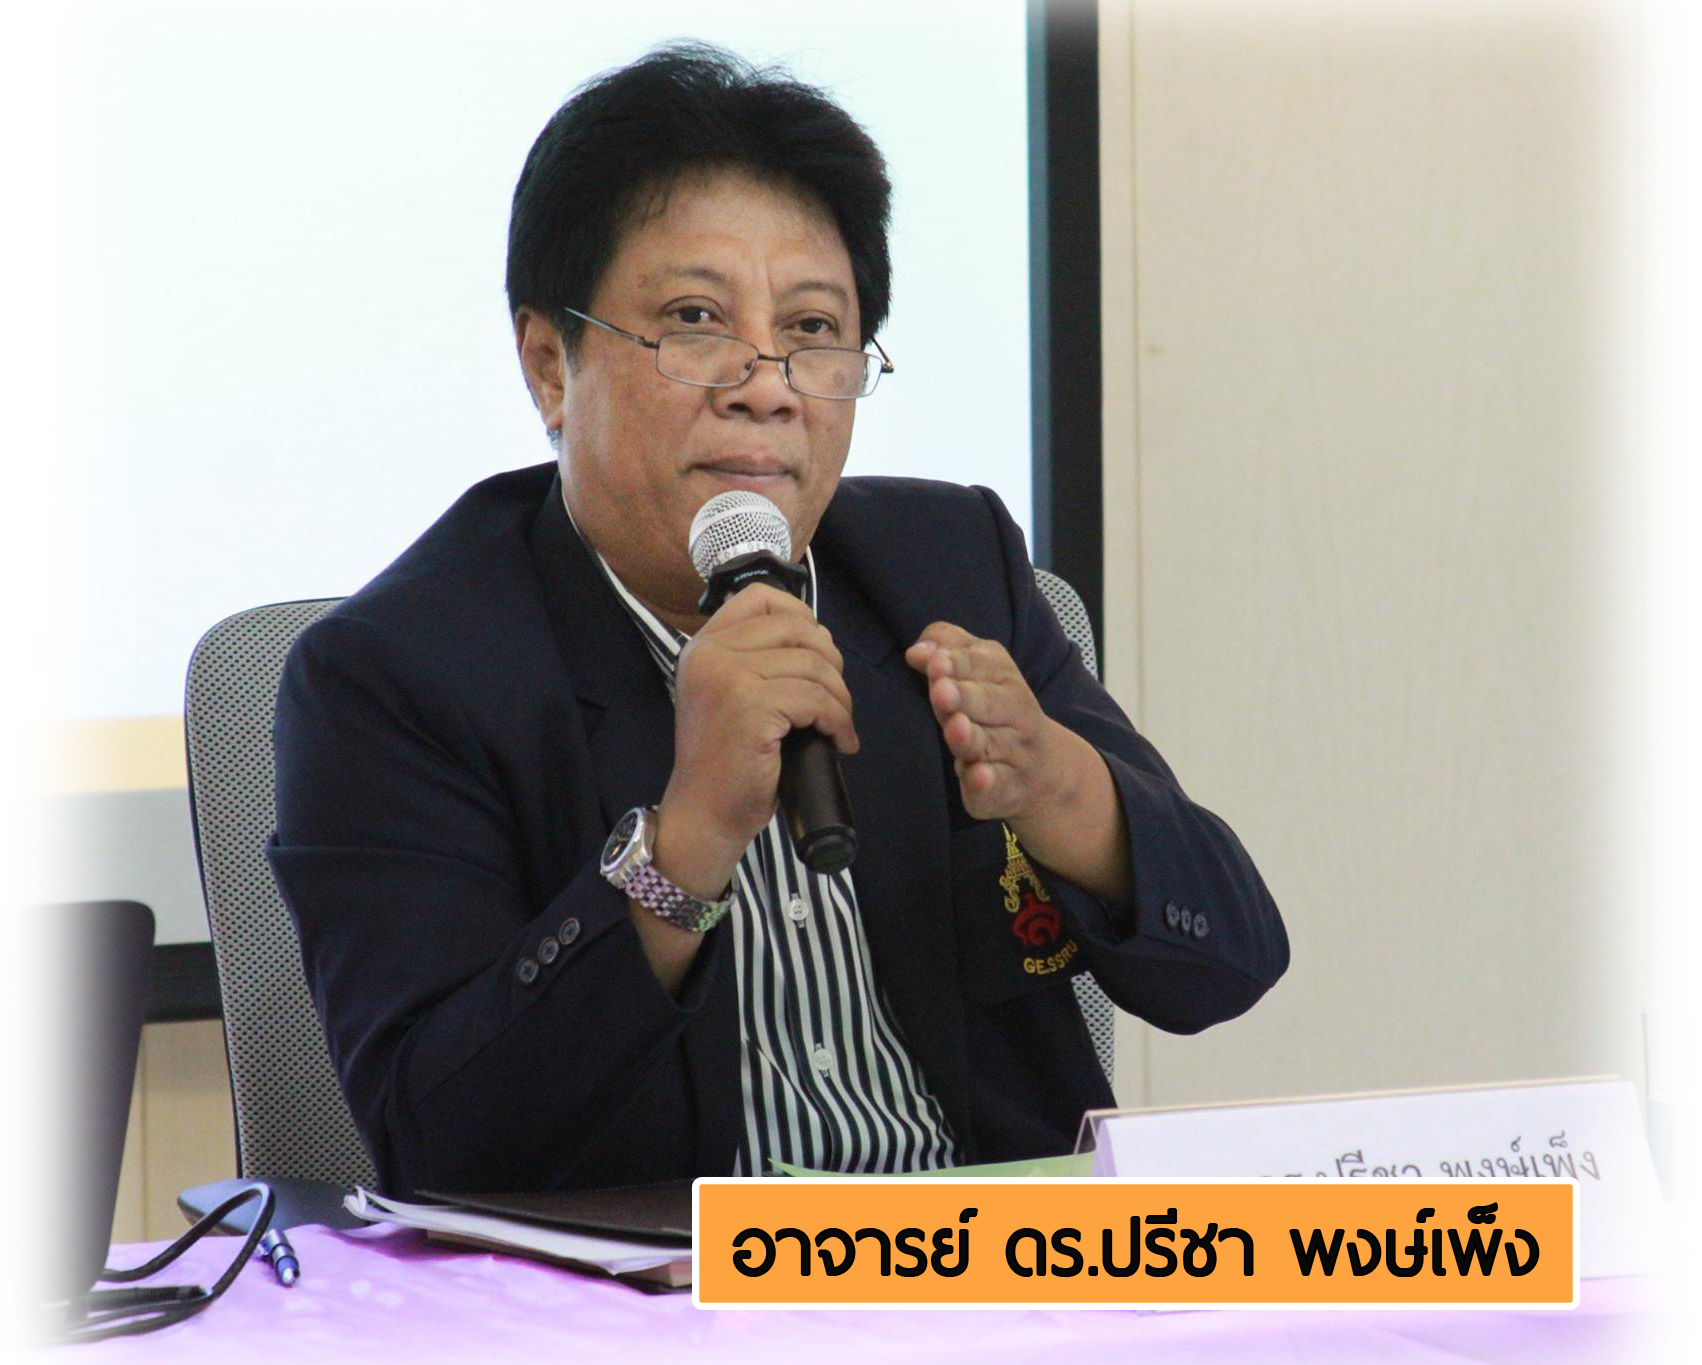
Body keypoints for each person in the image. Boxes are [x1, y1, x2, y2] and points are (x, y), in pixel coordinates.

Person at [267, 43, 1288, 1196]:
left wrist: (1060, 787)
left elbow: (1229, 964)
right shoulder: (395, 675)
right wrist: (687, 841)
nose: (767, 385)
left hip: (993, 1267)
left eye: (811, 329)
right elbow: (437, 1142)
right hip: (671, 1284)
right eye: (696, 317)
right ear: (551, 365)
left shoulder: (946, 565)